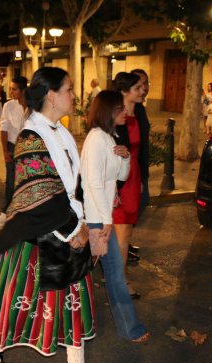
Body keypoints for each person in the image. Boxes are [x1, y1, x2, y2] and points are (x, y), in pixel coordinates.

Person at [0, 67, 107, 363]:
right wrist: (77, 228)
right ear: (50, 94)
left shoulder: (59, 131)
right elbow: (40, 195)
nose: (75, 96)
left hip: (67, 228)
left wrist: (87, 223)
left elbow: (74, 186)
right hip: (38, 236)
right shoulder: (32, 136)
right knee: (16, 298)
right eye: (69, 90)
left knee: (71, 301)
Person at [80, 89, 150, 345]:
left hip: (101, 215)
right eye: (121, 108)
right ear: (109, 111)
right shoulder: (97, 139)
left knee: (102, 273)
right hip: (97, 217)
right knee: (114, 275)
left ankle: (125, 326)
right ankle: (129, 327)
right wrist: (104, 222)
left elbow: (120, 177)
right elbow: (93, 183)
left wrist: (125, 157)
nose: (126, 112)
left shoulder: (109, 138)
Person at [111, 72, 147, 297]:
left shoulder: (139, 112)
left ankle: (115, 275)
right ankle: (120, 281)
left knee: (124, 234)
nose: (143, 90)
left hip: (134, 178)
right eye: (138, 87)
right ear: (125, 92)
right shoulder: (117, 117)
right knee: (122, 235)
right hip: (120, 180)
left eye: (142, 87)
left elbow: (142, 150)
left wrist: (142, 179)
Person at [0, 76, 28, 229]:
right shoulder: (8, 106)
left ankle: (23, 212)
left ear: (23, 91)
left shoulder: (33, 107)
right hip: (12, 146)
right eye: (11, 88)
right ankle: (5, 211)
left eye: (14, 89)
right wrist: (5, 152)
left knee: (26, 181)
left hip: (28, 149)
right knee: (10, 180)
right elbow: (4, 129)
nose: (11, 91)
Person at [128, 68, 152, 261]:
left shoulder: (140, 108)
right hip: (129, 171)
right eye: (139, 85)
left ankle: (124, 241)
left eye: (145, 83)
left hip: (139, 168)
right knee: (132, 207)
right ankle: (120, 243)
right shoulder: (127, 110)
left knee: (139, 204)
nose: (144, 88)